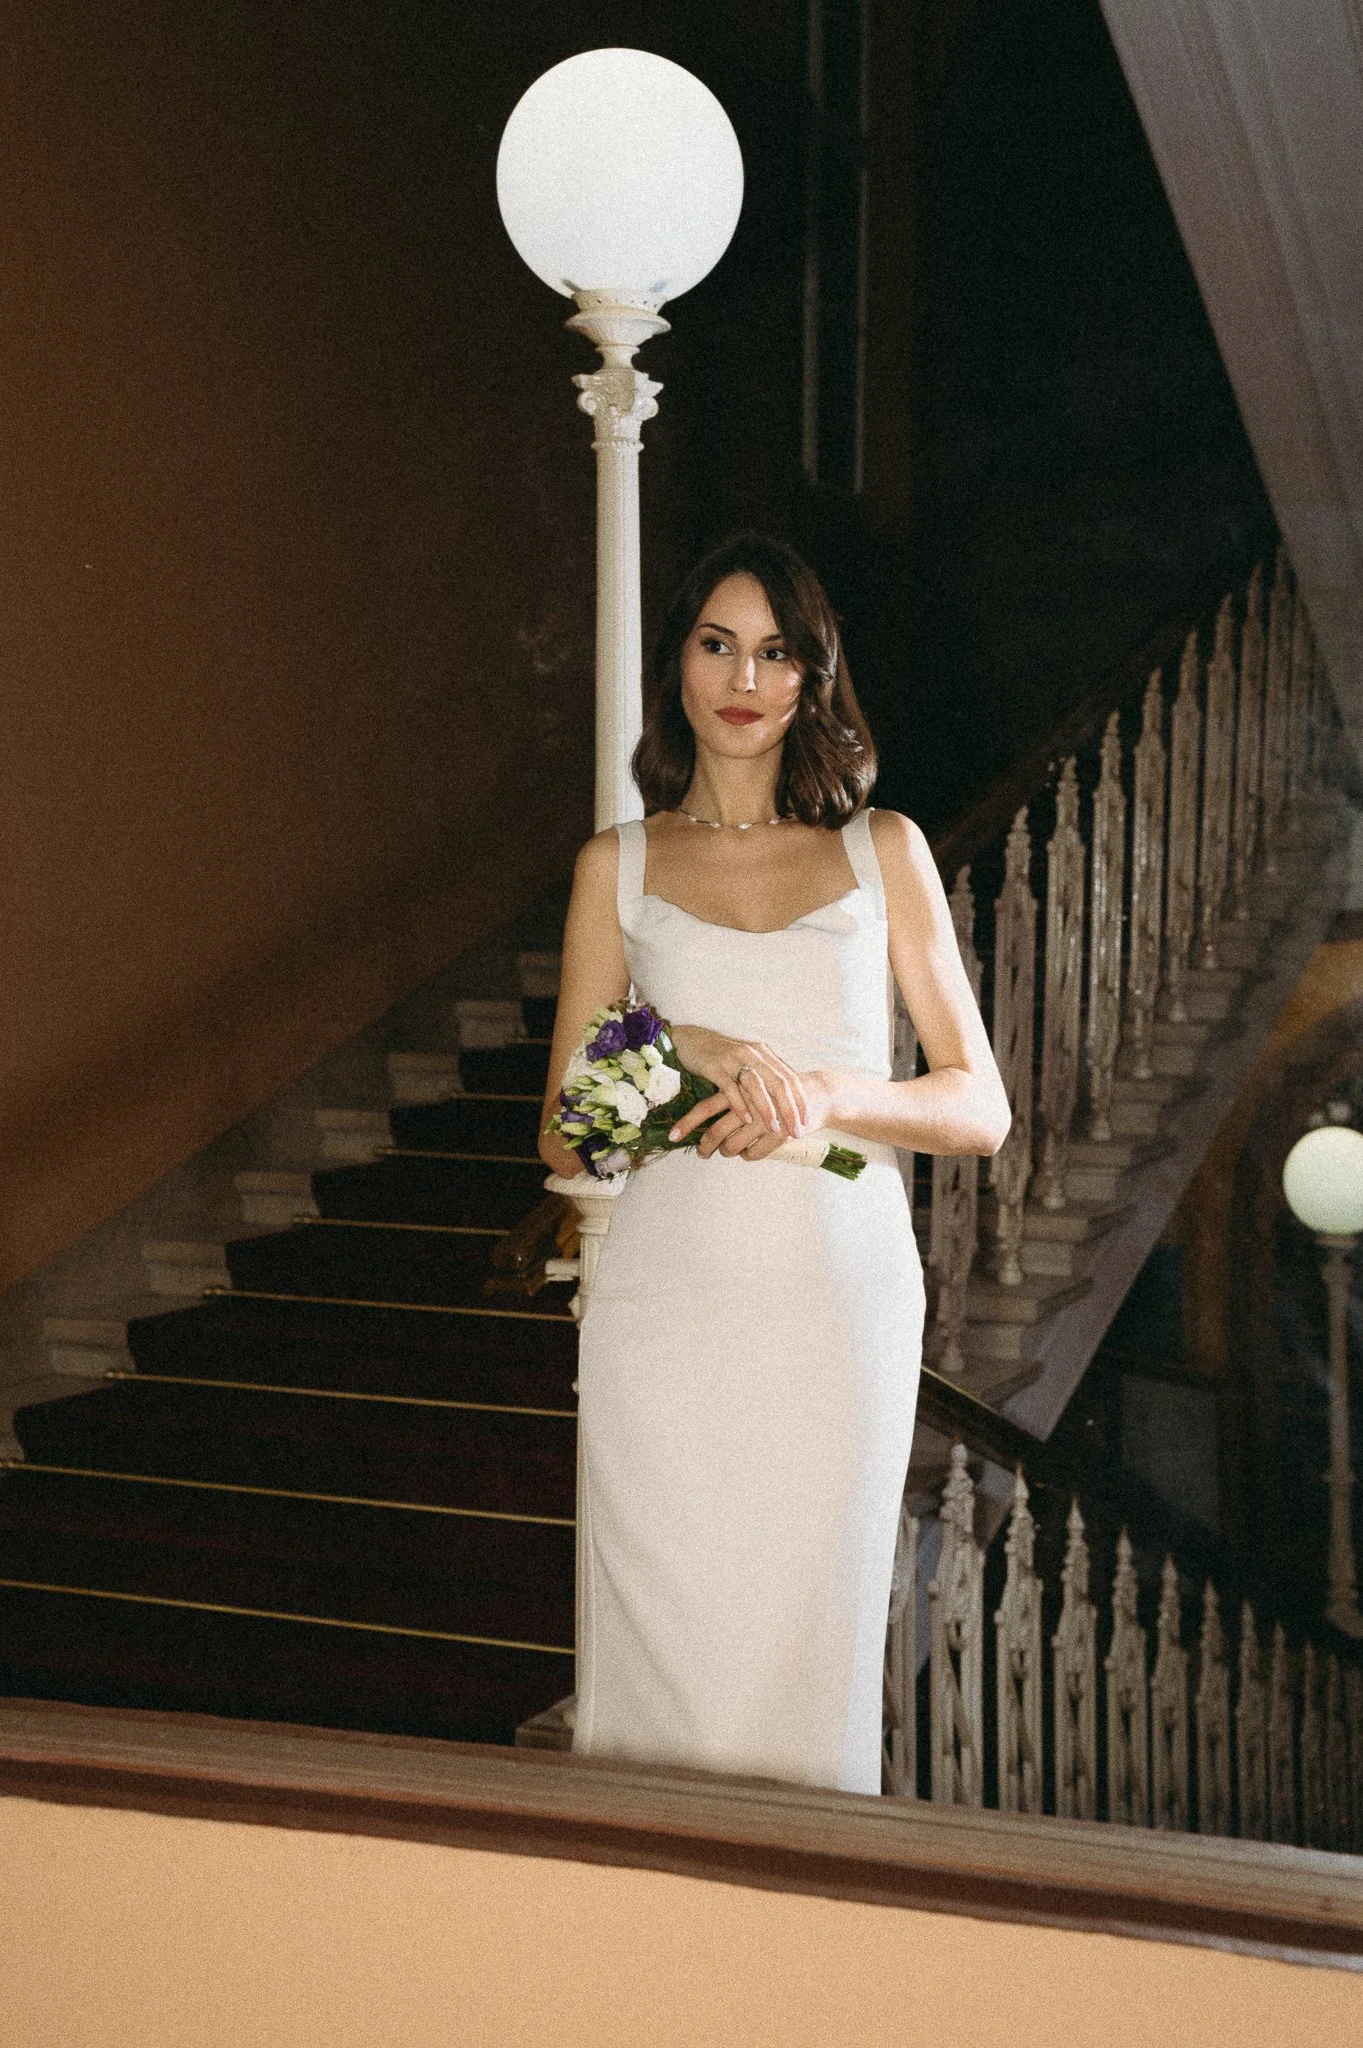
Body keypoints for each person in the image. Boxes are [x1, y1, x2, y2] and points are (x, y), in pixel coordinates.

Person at [537, 532, 1009, 1795]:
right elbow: (567, 1127)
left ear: (814, 678)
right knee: (657, 1657)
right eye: (716, 643)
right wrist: (679, 1043)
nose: (744, 676)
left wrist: (822, 1093)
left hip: (830, 1302)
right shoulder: (618, 864)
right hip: (665, 1303)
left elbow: (980, 1105)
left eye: (777, 650)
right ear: (678, 666)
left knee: (810, 1650)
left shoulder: (882, 850)